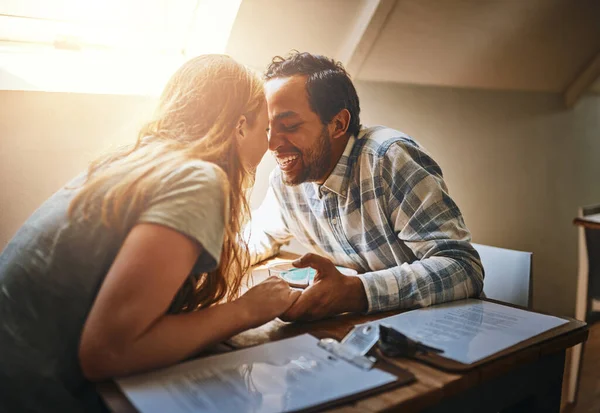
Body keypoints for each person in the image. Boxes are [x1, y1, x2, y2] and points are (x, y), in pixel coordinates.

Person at [0, 55, 301, 412]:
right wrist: (247, 310)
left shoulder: (135, 161)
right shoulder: (199, 180)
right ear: (239, 126)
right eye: (265, 129)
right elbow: (108, 352)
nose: (270, 145)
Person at [249, 52, 484, 321]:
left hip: (440, 329)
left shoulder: (389, 159)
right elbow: (261, 234)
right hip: (361, 330)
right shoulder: (287, 180)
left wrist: (355, 292)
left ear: (338, 124)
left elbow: (464, 268)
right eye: (268, 128)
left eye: (289, 125)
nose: (272, 145)